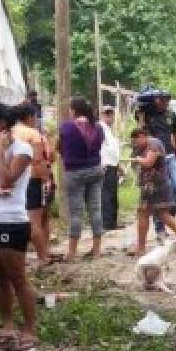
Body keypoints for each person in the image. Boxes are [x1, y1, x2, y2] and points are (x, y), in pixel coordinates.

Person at [0, 102, 38, 349]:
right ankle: (7, 324)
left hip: (10, 219)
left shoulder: (22, 149)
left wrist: (1, 150)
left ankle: (30, 327)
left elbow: (6, 180)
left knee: (17, 277)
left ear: (2, 125)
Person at [57, 96, 105, 261]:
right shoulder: (98, 127)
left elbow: (60, 148)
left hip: (75, 172)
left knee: (76, 213)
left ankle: (71, 252)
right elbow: (99, 146)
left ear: (74, 110)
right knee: (95, 210)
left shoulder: (66, 127)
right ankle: (97, 250)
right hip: (95, 170)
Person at [128, 128, 176, 253]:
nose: (135, 144)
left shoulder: (154, 143)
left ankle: (141, 247)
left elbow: (148, 162)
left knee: (153, 214)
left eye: (136, 141)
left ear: (142, 136)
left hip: (157, 186)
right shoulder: (142, 146)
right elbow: (136, 160)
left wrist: (138, 159)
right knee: (153, 214)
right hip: (149, 186)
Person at [139, 90, 176, 241]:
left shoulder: (171, 115)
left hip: (171, 155)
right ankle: (160, 227)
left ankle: (168, 217)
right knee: (158, 193)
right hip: (155, 158)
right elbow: (140, 132)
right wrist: (141, 114)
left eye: (168, 99)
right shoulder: (147, 113)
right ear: (156, 100)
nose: (166, 102)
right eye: (163, 99)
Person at [13, 105, 54, 263]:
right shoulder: (32, 133)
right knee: (36, 220)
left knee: (37, 218)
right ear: (30, 116)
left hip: (18, 178)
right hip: (34, 178)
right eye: (35, 116)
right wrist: (46, 179)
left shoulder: (11, 131)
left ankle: (45, 252)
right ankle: (43, 256)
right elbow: (37, 159)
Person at [99, 105, 122, 231]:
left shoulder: (110, 130)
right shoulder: (100, 128)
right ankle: (107, 223)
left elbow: (113, 151)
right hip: (105, 165)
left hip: (113, 164)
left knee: (113, 194)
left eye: (111, 114)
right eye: (106, 114)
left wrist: (119, 166)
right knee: (106, 194)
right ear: (101, 115)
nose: (109, 116)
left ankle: (113, 222)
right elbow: (99, 149)